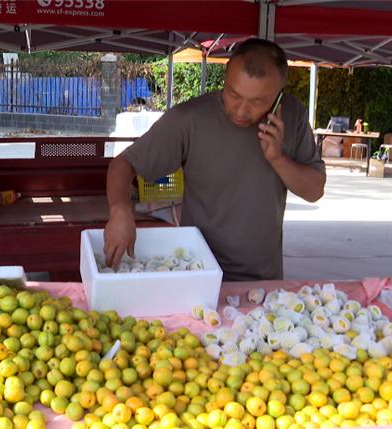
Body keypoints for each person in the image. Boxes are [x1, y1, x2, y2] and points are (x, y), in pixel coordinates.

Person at [104, 38, 327, 281]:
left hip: (264, 278)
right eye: (233, 94)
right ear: (225, 76)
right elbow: (122, 164)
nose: (241, 111)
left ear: (278, 95)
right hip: (198, 270)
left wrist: (278, 158)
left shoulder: (293, 116)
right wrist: (120, 210)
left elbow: (314, 190)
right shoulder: (190, 118)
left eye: (258, 102)